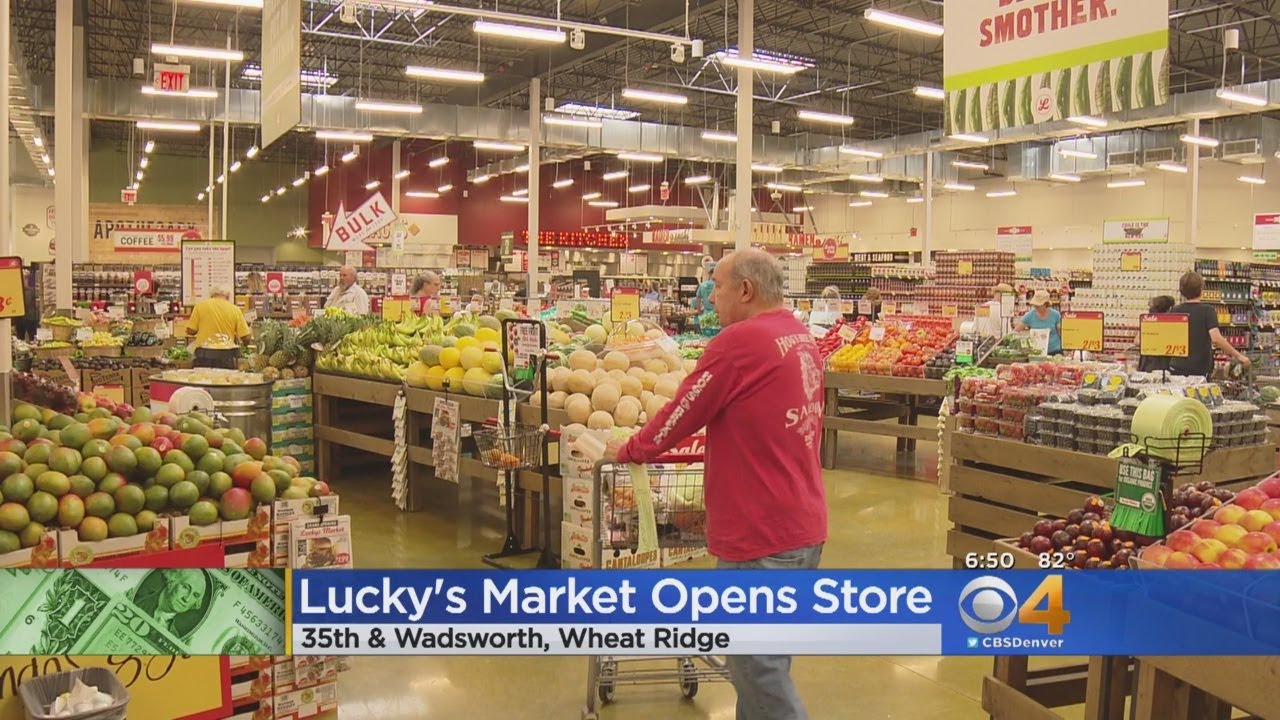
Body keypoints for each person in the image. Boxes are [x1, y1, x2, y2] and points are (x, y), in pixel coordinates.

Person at [605, 249, 827, 719]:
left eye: (717, 287)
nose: (710, 298)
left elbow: (683, 412)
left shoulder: (739, 342)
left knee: (756, 670)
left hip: (759, 533)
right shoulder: (798, 335)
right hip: (803, 524)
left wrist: (629, 449)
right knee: (767, 659)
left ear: (745, 290)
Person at [1171, 271, 1250, 379]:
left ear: (1182, 290)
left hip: (1177, 365)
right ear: (1201, 289)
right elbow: (1216, 339)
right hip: (1199, 367)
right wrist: (1239, 355)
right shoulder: (1207, 310)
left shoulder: (1175, 310)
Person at [186, 286, 251, 367]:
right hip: (226, 356)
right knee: (224, 378)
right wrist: (245, 346)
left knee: (202, 378)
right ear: (228, 296)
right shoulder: (235, 309)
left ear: (211, 295)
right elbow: (246, 337)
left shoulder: (200, 306)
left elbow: (191, 331)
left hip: (203, 355)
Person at [1014, 290, 1062, 355]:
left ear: (1045, 304)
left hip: (1055, 350)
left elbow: (1060, 333)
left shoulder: (1055, 315)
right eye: (1035, 305)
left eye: (1038, 305)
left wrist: (1065, 348)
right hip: (1037, 351)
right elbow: (1016, 331)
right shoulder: (1030, 315)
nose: (1035, 306)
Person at [1136, 295, 1177, 372]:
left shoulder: (1149, 320)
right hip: (1162, 364)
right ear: (1170, 308)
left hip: (1146, 363)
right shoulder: (1170, 324)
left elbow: (1137, 341)